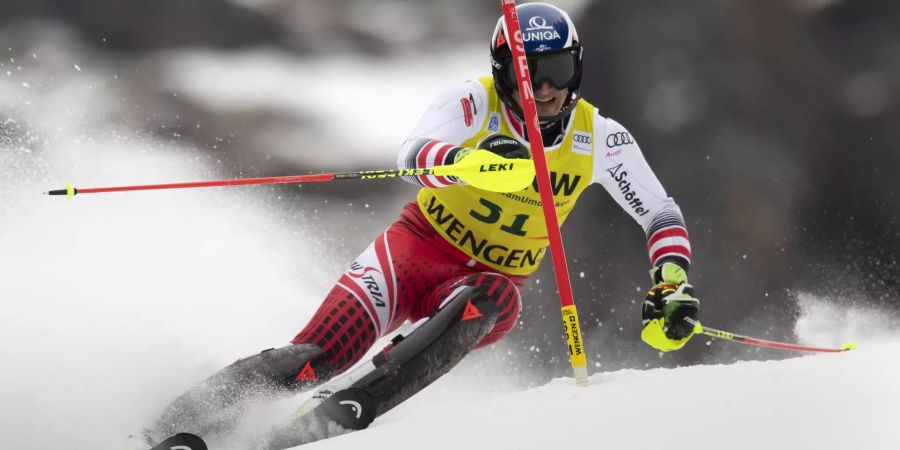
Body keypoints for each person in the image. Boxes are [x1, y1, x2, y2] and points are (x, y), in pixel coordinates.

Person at [127, 3, 697, 449]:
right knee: (310, 357)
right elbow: (412, 154)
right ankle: (158, 432)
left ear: (576, 68)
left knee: (492, 295)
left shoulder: (601, 138)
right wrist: (460, 163)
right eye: (527, 74)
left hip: (483, 286)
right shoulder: (472, 103)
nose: (542, 89)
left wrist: (671, 283)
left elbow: (660, 215)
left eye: (556, 71)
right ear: (501, 73)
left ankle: (347, 409)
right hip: (412, 254)